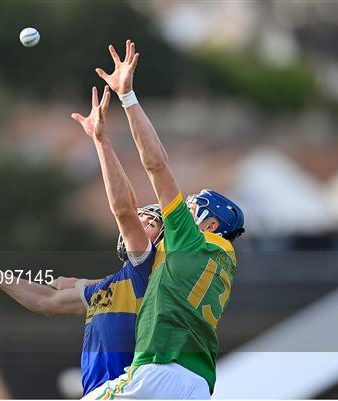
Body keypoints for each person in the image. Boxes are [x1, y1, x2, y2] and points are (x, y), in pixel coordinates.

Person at [0, 85, 164, 396]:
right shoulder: (109, 288)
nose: (137, 225)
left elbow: (123, 209)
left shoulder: (149, 274)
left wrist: (101, 141)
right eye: (141, 219)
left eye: (149, 224)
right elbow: (45, 301)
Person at [84, 40, 245, 399]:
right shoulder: (225, 260)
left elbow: (155, 164)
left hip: (160, 369)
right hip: (199, 385)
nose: (184, 211)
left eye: (194, 208)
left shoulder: (191, 240)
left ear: (212, 224)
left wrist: (127, 97)